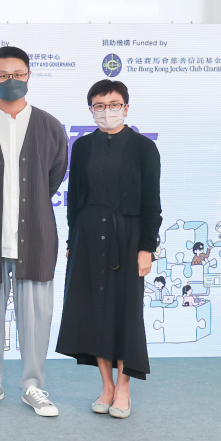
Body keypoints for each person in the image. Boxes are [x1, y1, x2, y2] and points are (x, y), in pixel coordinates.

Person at [0, 46, 67, 417]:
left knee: (37, 317)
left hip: (35, 238)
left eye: (18, 74)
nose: (11, 80)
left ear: (29, 76)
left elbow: (53, 177)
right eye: (3, 74)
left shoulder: (50, 126)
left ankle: (33, 385)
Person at [56, 79, 162, 419]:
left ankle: (124, 388)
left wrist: (147, 248)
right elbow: (74, 198)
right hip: (87, 236)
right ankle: (106, 386)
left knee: (125, 312)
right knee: (93, 312)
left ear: (126, 108)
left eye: (114, 105)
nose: (107, 111)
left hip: (128, 238)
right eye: (99, 106)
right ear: (91, 110)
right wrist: (72, 242)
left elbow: (152, 203)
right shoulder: (82, 146)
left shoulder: (144, 148)